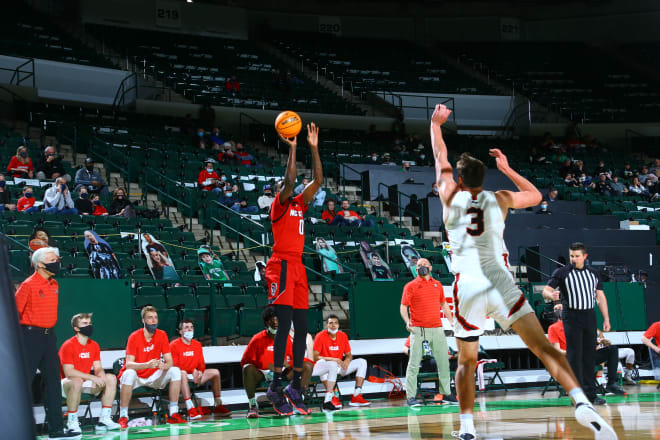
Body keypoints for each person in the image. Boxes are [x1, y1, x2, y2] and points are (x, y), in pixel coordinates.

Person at [430, 103, 616, 440]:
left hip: (468, 285)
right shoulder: (500, 198)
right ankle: (579, 400)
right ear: (484, 179)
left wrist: (435, 124)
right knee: (544, 348)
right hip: (501, 282)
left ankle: (468, 428)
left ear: (459, 179)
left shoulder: (449, 196)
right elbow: (535, 195)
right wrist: (509, 167)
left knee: (466, 361)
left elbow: (439, 154)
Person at [265, 122, 323, 416]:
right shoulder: (279, 205)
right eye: (283, 187)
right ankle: (276, 384)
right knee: (285, 325)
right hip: (281, 265)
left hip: (298, 267)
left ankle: (295, 387)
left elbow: (318, 180)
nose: (288, 187)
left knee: (302, 329)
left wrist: (313, 148)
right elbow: (289, 181)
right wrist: (293, 148)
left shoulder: (301, 203)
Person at [16, 247, 81, 439]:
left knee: (53, 383)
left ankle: (56, 429)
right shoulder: (28, 285)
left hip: (49, 337)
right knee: (23, 383)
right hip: (29, 337)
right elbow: (13, 313)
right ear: (40, 264)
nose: (57, 262)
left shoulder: (55, 284)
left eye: (57, 259)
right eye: (52, 259)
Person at [543, 242, 614, 405]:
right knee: (575, 356)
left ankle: (591, 395)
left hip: (589, 315)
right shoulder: (562, 272)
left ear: (585, 256)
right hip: (571, 315)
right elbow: (546, 289)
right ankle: (577, 395)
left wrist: (607, 318)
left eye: (577, 256)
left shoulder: (593, 273)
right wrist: (550, 295)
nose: (574, 259)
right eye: (571, 256)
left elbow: (600, 296)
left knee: (589, 355)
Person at [400, 258, 457, 406]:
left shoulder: (437, 285)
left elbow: (444, 304)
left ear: (430, 268)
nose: (421, 267)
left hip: (437, 328)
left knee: (444, 362)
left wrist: (451, 321)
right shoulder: (410, 286)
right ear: (416, 269)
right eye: (419, 265)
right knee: (413, 364)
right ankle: (411, 397)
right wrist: (407, 321)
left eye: (424, 265)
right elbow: (403, 307)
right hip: (418, 329)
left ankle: (446, 393)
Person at [117, 306, 184, 428]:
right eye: (150, 318)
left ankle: (174, 414)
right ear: (143, 320)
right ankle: (123, 416)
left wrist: (164, 365)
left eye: (155, 318)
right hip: (137, 377)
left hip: (154, 376)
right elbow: (129, 364)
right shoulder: (134, 337)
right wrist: (146, 365)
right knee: (128, 373)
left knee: (175, 371)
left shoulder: (162, 335)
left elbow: (170, 361)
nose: (154, 320)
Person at [59, 313, 121, 433]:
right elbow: (69, 372)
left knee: (111, 378)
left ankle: (104, 419)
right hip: (66, 384)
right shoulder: (68, 345)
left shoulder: (94, 345)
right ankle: (72, 422)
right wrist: (92, 378)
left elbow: (98, 368)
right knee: (76, 381)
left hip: (84, 382)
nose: (89, 326)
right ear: (76, 328)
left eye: (90, 323)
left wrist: (101, 377)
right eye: (85, 324)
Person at [241, 307, 307, 418]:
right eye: (273, 320)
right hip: (262, 372)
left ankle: (296, 396)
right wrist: (266, 365)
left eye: (278, 320)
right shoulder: (257, 339)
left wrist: (288, 363)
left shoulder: (285, 338)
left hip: (281, 372)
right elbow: (245, 361)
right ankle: (252, 405)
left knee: (303, 365)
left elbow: (295, 358)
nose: (276, 322)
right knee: (247, 368)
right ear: (267, 322)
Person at [548, 309, 624, 397]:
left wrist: (599, 343)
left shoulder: (578, 325)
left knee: (612, 349)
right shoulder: (553, 328)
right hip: (570, 358)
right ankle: (584, 391)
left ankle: (611, 383)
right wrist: (574, 353)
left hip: (585, 356)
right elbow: (557, 350)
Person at [170, 319, 231, 419]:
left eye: (191, 327)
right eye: (186, 327)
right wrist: (193, 370)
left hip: (194, 375)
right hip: (181, 376)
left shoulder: (197, 344)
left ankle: (218, 405)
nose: (189, 330)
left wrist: (199, 372)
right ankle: (190, 408)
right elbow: (175, 365)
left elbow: (201, 363)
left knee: (215, 372)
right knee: (182, 373)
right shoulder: (174, 345)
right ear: (180, 331)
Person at [313, 315, 371, 410]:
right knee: (327, 366)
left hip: (339, 367)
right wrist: (333, 359)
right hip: (325, 367)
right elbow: (315, 357)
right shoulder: (320, 336)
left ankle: (356, 395)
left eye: (335, 323)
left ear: (339, 325)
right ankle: (332, 397)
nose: (333, 325)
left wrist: (347, 361)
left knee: (362, 362)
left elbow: (349, 354)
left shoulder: (343, 336)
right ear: (326, 325)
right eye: (330, 323)